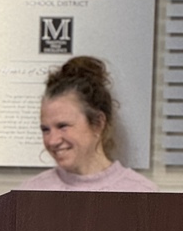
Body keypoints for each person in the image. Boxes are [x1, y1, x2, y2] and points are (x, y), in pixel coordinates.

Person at [18, 56, 157, 192]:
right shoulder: (31, 192)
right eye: (45, 129)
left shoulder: (141, 194)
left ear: (98, 123)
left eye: (62, 126)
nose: (52, 141)